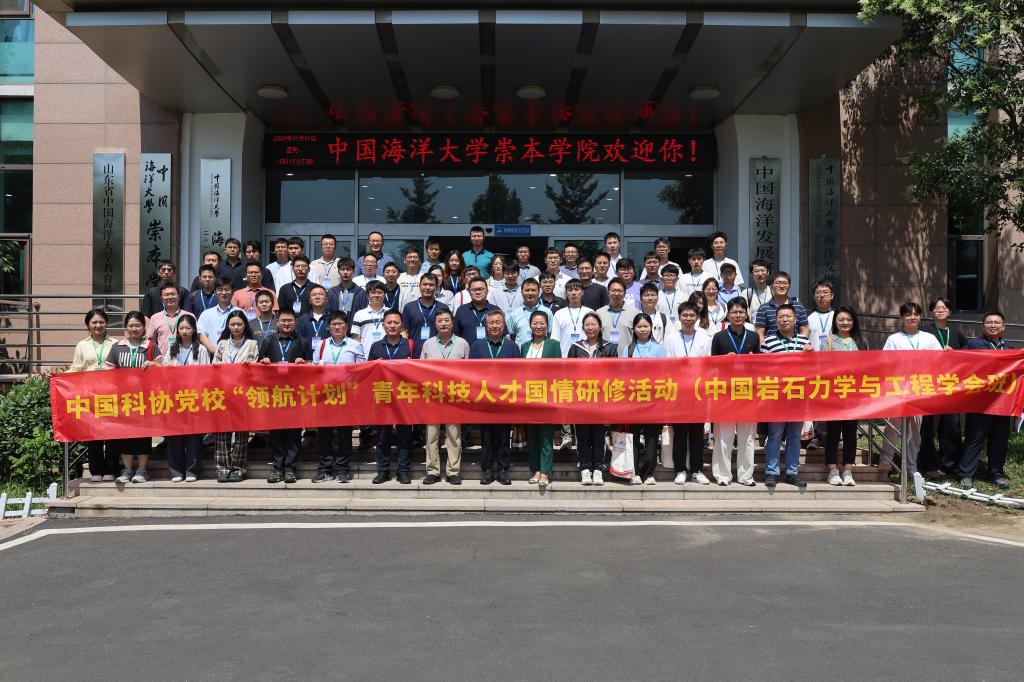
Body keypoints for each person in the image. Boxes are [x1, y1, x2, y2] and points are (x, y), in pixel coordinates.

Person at [881, 302, 943, 481]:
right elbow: (884, 362)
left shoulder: (929, 338)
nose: (912, 317)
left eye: (916, 314)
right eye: (908, 314)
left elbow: (940, 360)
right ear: (902, 318)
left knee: (915, 431)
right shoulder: (894, 339)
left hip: (920, 388)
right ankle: (886, 463)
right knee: (892, 427)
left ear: (920, 317)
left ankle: (911, 467)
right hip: (898, 389)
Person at [958, 310, 1013, 489]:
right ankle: (966, 474)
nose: (993, 325)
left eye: (997, 322)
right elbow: (988, 360)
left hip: (1002, 403)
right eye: (989, 322)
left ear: (1003, 327)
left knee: (1000, 440)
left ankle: (996, 473)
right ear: (983, 326)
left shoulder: (1009, 348)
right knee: (974, 438)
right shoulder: (976, 344)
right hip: (980, 402)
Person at [710, 298, 760, 486]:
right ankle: (723, 475)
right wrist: (724, 360)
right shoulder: (719, 337)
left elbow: (760, 365)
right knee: (724, 436)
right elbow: (712, 366)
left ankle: (746, 476)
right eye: (734, 312)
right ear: (728, 315)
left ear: (746, 314)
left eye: (741, 312)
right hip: (725, 392)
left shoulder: (753, 337)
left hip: (747, 392)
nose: (738, 315)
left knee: (747, 438)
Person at [105, 311, 160, 483]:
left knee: (143, 435)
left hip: (145, 399)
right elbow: (109, 372)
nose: (134, 328)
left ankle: (142, 470)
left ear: (144, 327)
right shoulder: (117, 347)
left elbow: (162, 369)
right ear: (126, 327)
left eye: (138, 325)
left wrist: (154, 364)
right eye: (131, 325)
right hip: (123, 399)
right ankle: (127, 470)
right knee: (125, 434)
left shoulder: (151, 346)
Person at [761, 304, 812, 488]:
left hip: (798, 395)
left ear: (795, 319)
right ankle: (772, 472)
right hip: (777, 396)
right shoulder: (768, 342)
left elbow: (812, 368)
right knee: (775, 435)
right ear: (776, 320)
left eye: (788, 316)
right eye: (781, 317)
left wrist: (810, 355)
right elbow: (762, 369)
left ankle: (792, 472)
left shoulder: (805, 341)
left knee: (794, 436)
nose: (785, 320)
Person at [311, 311, 365, 484]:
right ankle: (325, 469)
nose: (337, 327)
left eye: (341, 323)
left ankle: (343, 469)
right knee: (324, 434)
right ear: (328, 327)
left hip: (346, 396)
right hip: (325, 396)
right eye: (334, 324)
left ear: (346, 326)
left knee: (344, 434)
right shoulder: (321, 345)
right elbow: (314, 369)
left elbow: (361, 371)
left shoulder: (355, 345)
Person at [419, 309, 470, 485]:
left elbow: (469, 371)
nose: (443, 323)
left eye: (446, 320)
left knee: (454, 435)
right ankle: (432, 471)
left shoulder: (462, 343)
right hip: (433, 396)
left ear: (452, 322)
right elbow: (421, 371)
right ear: (435, 324)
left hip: (455, 397)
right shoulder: (428, 344)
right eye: (440, 320)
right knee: (431, 436)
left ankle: (453, 471)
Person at [469, 309, 520, 484]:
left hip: (506, 399)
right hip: (484, 399)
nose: (495, 326)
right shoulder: (477, 346)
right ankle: (487, 470)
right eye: (491, 323)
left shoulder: (512, 347)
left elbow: (518, 373)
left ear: (504, 325)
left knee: (505, 437)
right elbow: (470, 373)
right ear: (486, 325)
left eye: (498, 322)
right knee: (486, 437)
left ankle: (503, 469)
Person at [259, 308, 310, 484]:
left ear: (295, 322)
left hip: (295, 395)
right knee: (276, 434)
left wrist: (303, 363)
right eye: (283, 320)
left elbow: (311, 366)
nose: (286, 323)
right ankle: (277, 469)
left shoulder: (302, 341)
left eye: (290, 320)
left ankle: (290, 469)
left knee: (294, 434)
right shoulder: (268, 340)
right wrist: (264, 362)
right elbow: (258, 366)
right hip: (274, 394)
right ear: (277, 322)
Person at [919, 297, 968, 476]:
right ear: (931, 312)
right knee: (930, 427)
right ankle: (929, 464)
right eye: (937, 308)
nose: (940, 310)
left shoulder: (956, 332)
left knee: (952, 426)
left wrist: (955, 353)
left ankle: (950, 464)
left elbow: (967, 350)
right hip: (930, 384)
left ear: (950, 312)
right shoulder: (925, 331)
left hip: (950, 385)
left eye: (944, 307)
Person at [666, 302, 713, 485]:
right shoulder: (671, 338)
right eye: (685, 315)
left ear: (697, 317)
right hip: (678, 392)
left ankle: (697, 470)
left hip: (698, 392)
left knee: (696, 433)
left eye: (692, 315)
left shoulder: (704, 338)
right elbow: (667, 364)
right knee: (679, 433)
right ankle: (680, 470)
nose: (688, 319)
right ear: (679, 317)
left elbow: (708, 364)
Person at [69, 309, 118, 481]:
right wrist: (57, 377)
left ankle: (111, 469)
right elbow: (76, 369)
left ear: (107, 323)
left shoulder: (116, 343)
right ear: (88, 325)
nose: (98, 325)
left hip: (111, 394)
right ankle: (96, 471)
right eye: (94, 322)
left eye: (101, 322)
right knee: (93, 433)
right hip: (90, 395)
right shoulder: (81, 345)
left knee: (112, 433)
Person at [567, 312, 616, 485]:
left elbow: (614, 373)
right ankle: (585, 469)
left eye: (593, 324)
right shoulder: (575, 348)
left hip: (601, 399)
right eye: (587, 325)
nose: (590, 328)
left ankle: (598, 469)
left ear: (600, 327)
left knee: (598, 435)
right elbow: (569, 373)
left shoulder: (609, 348)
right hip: (581, 399)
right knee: (582, 435)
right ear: (583, 328)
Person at [162, 315, 210, 482]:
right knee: (174, 435)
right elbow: (164, 370)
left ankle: (192, 470)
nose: (184, 331)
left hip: (194, 397)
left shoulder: (201, 349)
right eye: (181, 328)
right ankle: (176, 471)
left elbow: (206, 374)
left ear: (194, 330)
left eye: (187, 328)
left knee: (194, 436)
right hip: (174, 398)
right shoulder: (172, 348)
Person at [367, 310, 414, 484]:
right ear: (383, 325)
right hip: (383, 396)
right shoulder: (376, 346)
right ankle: (383, 471)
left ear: (402, 325)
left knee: (405, 437)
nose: (392, 326)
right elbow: (368, 372)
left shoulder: (410, 345)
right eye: (389, 322)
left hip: (404, 396)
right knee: (382, 437)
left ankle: (403, 471)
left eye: (396, 323)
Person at [212, 310, 259, 482]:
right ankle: (223, 468)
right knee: (221, 434)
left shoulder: (252, 344)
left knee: (241, 435)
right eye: (232, 324)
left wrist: (250, 366)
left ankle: (238, 469)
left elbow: (256, 367)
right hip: (223, 394)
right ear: (228, 326)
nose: (236, 327)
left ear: (245, 325)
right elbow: (214, 365)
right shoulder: (222, 344)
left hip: (243, 394)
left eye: (239, 324)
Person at [821, 306, 865, 487]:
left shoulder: (860, 341)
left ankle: (848, 470)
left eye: (848, 319)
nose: (845, 323)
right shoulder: (828, 341)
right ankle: (832, 470)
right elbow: (823, 366)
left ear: (853, 321)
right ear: (835, 322)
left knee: (850, 433)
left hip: (854, 393)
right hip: (835, 392)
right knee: (833, 432)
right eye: (841, 320)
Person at [620, 313, 666, 485]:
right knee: (633, 436)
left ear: (651, 328)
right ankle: (635, 472)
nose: (643, 329)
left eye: (646, 326)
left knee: (652, 437)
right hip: (633, 399)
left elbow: (664, 373)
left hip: (653, 399)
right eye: (639, 326)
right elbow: (622, 374)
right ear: (634, 329)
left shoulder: (659, 349)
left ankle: (648, 473)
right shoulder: (627, 349)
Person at [520, 310, 561, 488]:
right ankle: (535, 470)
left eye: (542, 323)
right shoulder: (524, 346)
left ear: (547, 325)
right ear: (530, 325)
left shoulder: (553, 345)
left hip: (547, 396)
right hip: (528, 397)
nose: (538, 326)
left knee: (545, 437)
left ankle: (545, 471)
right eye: (535, 323)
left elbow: (558, 371)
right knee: (532, 436)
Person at [401, 273, 449, 357]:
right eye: (424, 284)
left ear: (436, 287)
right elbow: (405, 332)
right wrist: (404, 352)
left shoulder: (443, 307)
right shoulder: (409, 307)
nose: (427, 287)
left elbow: (447, 333)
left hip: (437, 355)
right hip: (414, 354)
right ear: (419, 286)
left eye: (431, 285)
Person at [754, 271, 810, 341]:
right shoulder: (763, 308)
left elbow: (804, 329)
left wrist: (802, 344)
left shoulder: (799, 307)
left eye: (785, 283)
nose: (782, 286)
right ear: (771, 286)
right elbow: (760, 333)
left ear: (789, 286)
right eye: (778, 283)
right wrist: (763, 347)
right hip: (771, 347)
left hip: (795, 347)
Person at [144, 282, 194, 357]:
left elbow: (196, 338)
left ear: (179, 297)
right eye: (166, 295)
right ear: (161, 298)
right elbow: (151, 342)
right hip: (163, 361)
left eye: (173, 294)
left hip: (186, 360)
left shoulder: (189, 316)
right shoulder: (155, 318)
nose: (170, 297)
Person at [551, 279, 595, 358]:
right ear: (566, 293)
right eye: (570, 290)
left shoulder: (590, 312)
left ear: (582, 292)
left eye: (577, 290)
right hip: (564, 357)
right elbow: (555, 339)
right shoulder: (559, 314)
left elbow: (595, 337)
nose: (573, 293)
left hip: (586, 357)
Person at [197, 277, 240, 355]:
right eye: (220, 290)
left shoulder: (239, 312)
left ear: (233, 292)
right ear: (215, 292)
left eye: (227, 290)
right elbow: (201, 335)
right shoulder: (206, 314)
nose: (224, 293)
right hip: (211, 356)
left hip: (234, 356)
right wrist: (215, 351)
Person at [454, 276, 500, 346]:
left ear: (487, 291)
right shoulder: (461, 310)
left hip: (491, 351)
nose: (478, 292)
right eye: (474, 290)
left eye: (481, 289)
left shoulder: (495, 310)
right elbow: (456, 334)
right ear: (469, 292)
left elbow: (503, 334)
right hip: (468, 351)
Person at [596, 278, 638, 348]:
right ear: (608, 292)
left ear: (625, 293)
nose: (616, 294)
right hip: (605, 353)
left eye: (619, 291)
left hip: (627, 354)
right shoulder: (599, 313)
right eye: (613, 290)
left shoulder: (634, 313)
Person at [351, 281, 390, 357]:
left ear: (384, 294)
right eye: (373, 292)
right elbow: (356, 338)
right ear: (368, 296)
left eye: (379, 292)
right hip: (366, 356)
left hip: (387, 356)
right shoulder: (359, 314)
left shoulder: (391, 313)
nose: (376, 295)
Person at [507, 278, 552, 344]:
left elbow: (550, 334)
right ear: (521, 292)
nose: (530, 293)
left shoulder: (547, 312)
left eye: (533, 290)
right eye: (527, 290)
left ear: (539, 292)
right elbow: (512, 337)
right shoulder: (514, 314)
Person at [297, 285, 330, 354]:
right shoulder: (302, 320)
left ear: (326, 299)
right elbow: (298, 342)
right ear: (310, 300)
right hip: (307, 358)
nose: (317, 297)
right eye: (314, 295)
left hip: (327, 357)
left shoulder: (332, 319)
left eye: (320, 294)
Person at [806, 279, 836, 351]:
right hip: (813, 355)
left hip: (833, 356)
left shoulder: (837, 316)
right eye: (818, 293)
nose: (822, 295)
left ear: (832, 296)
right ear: (814, 297)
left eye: (825, 292)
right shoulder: (808, 316)